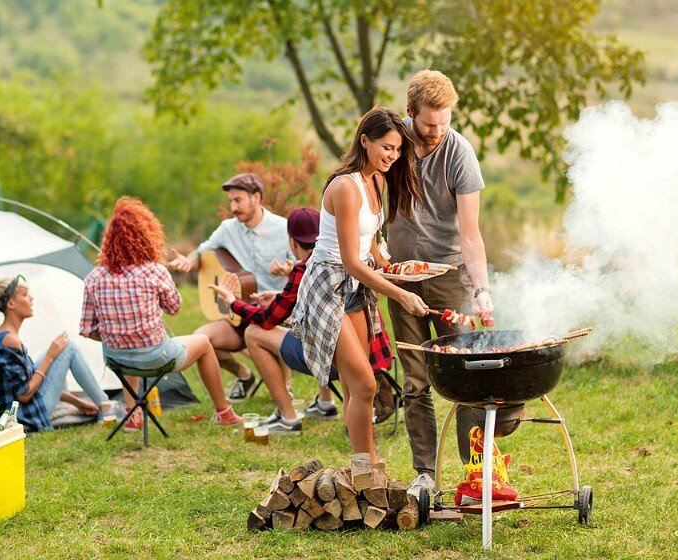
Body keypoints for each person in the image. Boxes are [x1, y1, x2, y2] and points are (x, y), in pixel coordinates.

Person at [291, 108, 429, 463]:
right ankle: (367, 466)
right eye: (386, 147)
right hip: (328, 287)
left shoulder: (376, 180)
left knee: (359, 385)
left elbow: (367, 242)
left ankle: (363, 463)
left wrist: (390, 267)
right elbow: (350, 260)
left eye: (398, 150)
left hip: (355, 289)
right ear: (364, 140)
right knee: (366, 384)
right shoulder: (345, 187)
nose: (392, 156)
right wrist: (400, 293)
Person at [387, 69, 495, 497]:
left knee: (465, 378)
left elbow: (470, 232)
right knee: (415, 383)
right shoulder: (392, 147)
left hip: (452, 277)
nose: (436, 132)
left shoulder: (460, 153)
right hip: (401, 278)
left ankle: (476, 473)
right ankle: (425, 476)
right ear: (410, 112)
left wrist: (482, 288)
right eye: (428, 124)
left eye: (444, 122)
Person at [209, 207, 394, 435]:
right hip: (375, 359)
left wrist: (232, 302)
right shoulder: (351, 258)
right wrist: (279, 297)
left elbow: (267, 320)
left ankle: (287, 418)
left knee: (254, 334)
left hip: (339, 363)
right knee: (321, 324)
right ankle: (325, 404)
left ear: (293, 242)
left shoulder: (306, 268)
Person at [81, 197, 242, 429]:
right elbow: (175, 308)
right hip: (156, 357)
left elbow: (87, 330)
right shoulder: (154, 272)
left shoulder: (94, 278)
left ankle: (133, 414)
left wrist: (115, 333)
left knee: (127, 344)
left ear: (109, 240)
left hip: (116, 359)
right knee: (205, 344)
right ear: (147, 235)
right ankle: (224, 411)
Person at [168, 173, 293, 403]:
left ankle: (284, 387)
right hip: (240, 310)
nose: (233, 207)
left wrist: (288, 269)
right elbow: (203, 250)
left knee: (259, 334)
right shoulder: (228, 229)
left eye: (238, 200)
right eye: (231, 201)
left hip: (274, 312)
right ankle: (244, 375)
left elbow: (302, 268)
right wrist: (190, 260)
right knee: (201, 340)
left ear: (256, 198)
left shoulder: (283, 228)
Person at [0, 275, 113, 433]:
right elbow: (24, 394)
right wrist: (50, 356)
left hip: (15, 410)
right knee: (67, 348)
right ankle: (106, 406)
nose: (31, 298)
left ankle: (102, 404)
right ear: (11, 304)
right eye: (24, 295)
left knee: (60, 350)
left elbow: (26, 381)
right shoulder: (10, 340)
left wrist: (77, 402)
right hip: (23, 415)